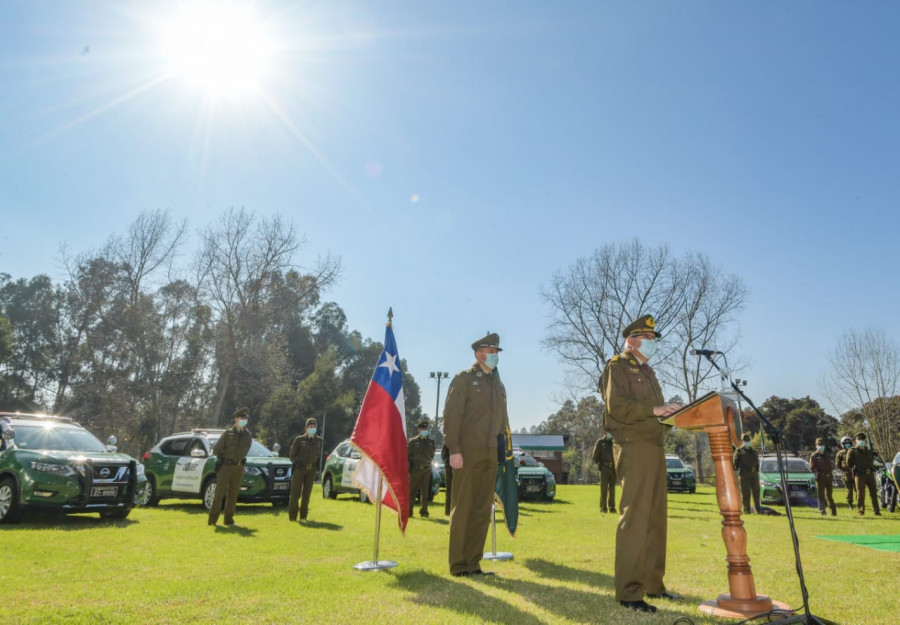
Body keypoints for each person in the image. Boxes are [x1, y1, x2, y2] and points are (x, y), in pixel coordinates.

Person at [599, 314, 682, 614]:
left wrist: (671, 415)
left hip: (655, 445)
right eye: (647, 339)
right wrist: (656, 408)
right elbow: (616, 406)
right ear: (632, 340)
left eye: (653, 339)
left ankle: (653, 585)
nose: (652, 344)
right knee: (635, 519)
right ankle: (629, 592)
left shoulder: (648, 371)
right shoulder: (616, 367)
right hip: (633, 446)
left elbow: (655, 411)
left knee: (655, 519)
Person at [443, 332, 509, 578]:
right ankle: (458, 565)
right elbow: (451, 417)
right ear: (478, 353)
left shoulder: (498, 385)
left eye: (496, 353)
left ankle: (473, 562)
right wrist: (454, 450)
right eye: (490, 352)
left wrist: (500, 453)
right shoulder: (464, 380)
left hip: (490, 453)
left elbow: (501, 422)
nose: (494, 357)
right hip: (467, 453)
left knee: (482, 509)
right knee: (464, 508)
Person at [208, 407, 253, 527]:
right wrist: (224, 460)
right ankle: (212, 521)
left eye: (245, 418)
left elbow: (246, 449)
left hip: (239, 467)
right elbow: (216, 450)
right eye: (242, 418)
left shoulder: (247, 435)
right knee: (219, 494)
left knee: (233, 495)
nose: (244, 420)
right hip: (226, 466)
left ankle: (229, 520)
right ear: (236, 419)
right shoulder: (228, 433)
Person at [288, 417, 323, 522]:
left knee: (306, 494)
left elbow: (318, 455)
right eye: (310, 427)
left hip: (311, 470)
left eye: (314, 427)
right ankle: (293, 517)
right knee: (295, 494)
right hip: (299, 469)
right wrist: (298, 463)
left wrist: (315, 467)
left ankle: (303, 517)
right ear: (306, 428)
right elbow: (292, 455)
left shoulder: (319, 441)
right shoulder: (299, 440)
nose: (312, 428)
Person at [846, 432, 881, 516]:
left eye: (863, 439)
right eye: (859, 439)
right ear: (855, 441)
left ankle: (876, 511)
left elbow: (871, 460)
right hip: (859, 474)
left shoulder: (868, 450)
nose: (861, 441)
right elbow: (848, 463)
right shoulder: (852, 451)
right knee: (860, 494)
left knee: (873, 493)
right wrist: (855, 468)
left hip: (870, 474)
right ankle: (861, 511)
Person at [408, 418, 436, 518]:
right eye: (422, 429)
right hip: (416, 470)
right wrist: (410, 470)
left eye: (425, 429)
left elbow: (432, 455)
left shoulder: (431, 442)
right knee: (412, 492)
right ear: (419, 430)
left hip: (426, 470)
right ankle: (409, 511)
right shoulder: (413, 442)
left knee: (425, 493)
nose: (424, 430)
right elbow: (408, 456)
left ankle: (424, 511)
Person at [732, 433, 761, 514]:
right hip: (744, 473)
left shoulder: (754, 451)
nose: (747, 442)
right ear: (743, 441)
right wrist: (736, 468)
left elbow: (757, 462)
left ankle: (758, 510)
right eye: (745, 441)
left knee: (756, 492)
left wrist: (757, 470)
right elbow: (735, 462)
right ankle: (746, 510)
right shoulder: (740, 451)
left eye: (748, 440)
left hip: (754, 473)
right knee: (746, 493)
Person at [808, 437, 837, 516]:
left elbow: (832, 465)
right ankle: (822, 510)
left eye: (822, 445)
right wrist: (816, 471)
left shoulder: (827, 455)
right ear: (816, 446)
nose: (821, 446)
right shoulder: (814, 455)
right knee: (820, 495)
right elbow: (811, 468)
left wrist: (830, 470)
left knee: (829, 494)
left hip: (828, 476)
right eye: (819, 445)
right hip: (820, 476)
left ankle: (833, 511)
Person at [591, 430, 617, 513]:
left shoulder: (615, 442)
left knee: (612, 489)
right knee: (604, 489)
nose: (610, 434)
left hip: (613, 469)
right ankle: (603, 508)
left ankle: (612, 507)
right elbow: (595, 456)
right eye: (608, 432)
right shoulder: (600, 442)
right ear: (604, 432)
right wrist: (602, 464)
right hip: (604, 469)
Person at [834, 436, 855, 510]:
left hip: (856, 474)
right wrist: (843, 469)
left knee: (858, 489)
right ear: (843, 444)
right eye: (845, 444)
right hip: (847, 474)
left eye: (849, 443)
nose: (847, 445)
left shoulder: (854, 451)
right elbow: (837, 463)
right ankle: (850, 504)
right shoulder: (841, 453)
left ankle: (860, 504)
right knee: (849, 490)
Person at [441, 443, 454, 516]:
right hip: (449, 469)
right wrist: (448, 461)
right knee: (449, 491)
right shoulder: (447, 442)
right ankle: (448, 511)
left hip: (462, 469)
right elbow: (443, 455)